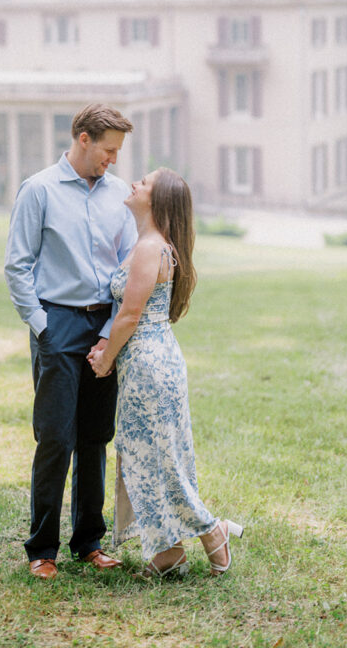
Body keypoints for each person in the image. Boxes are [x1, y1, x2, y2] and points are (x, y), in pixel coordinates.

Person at [88, 167, 244, 578]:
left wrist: (105, 358)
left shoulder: (149, 248)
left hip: (148, 363)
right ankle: (168, 551)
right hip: (153, 360)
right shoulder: (150, 244)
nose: (134, 183)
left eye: (145, 182)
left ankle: (213, 531)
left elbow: (129, 315)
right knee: (151, 456)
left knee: (160, 459)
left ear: (157, 202)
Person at [4, 104, 137, 580]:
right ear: (83, 139)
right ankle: (42, 549)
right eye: (108, 150)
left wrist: (109, 333)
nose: (114, 160)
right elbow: (18, 265)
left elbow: (125, 267)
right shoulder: (38, 190)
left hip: (106, 326)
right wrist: (42, 325)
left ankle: (89, 542)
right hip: (56, 324)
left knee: (95, 437)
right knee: (56, 438)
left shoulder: (120, 194)